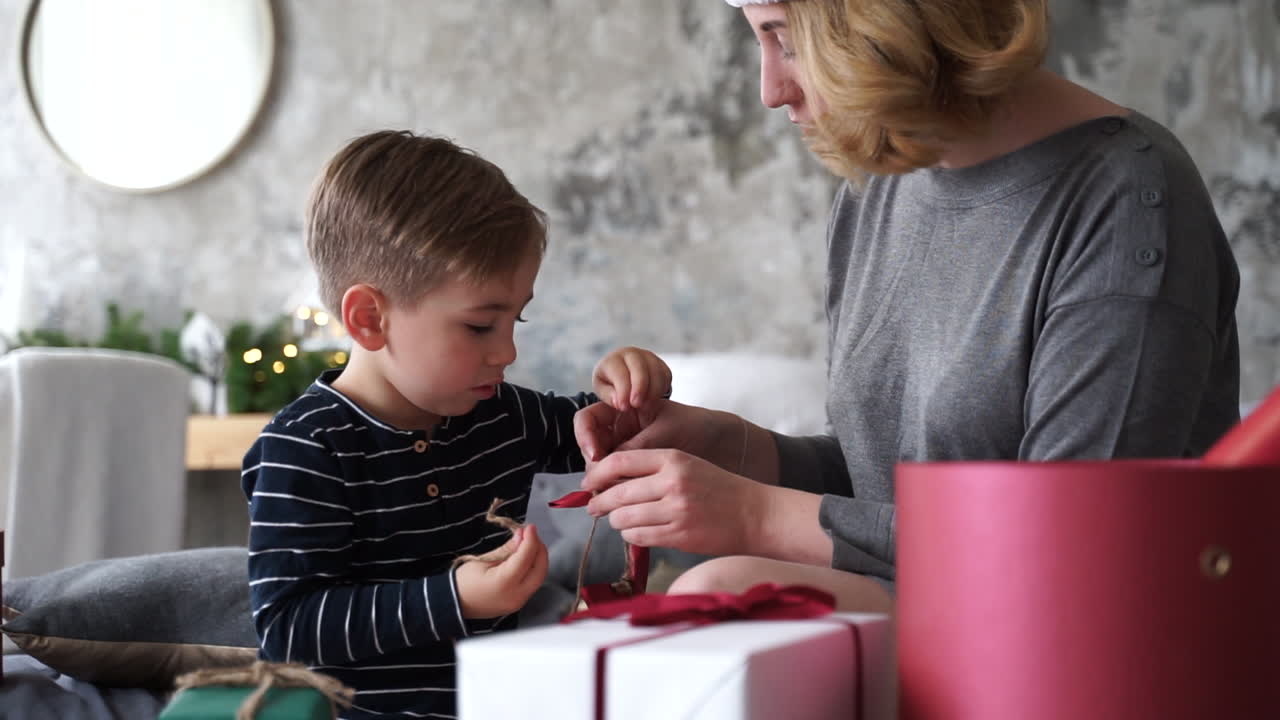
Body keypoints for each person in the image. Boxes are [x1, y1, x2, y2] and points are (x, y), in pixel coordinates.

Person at [573, 0, 1240, 612]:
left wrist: (758, 517)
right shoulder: (880, 190)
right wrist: (742, 453)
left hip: (1065, 654)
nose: (770, 91)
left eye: (786, 39)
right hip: (929, 621)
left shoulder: (1126, 203)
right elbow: (889, 485)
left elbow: (1067, 549)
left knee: (721, 595)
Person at [241, 130, 671, 720]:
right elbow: (289, 629)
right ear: (370, 320)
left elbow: (603, 429)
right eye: (479, 327)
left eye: (514, 320)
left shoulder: (501, 413)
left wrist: (631, 383)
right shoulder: (307, 447)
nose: (508, 352)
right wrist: (455, 599)